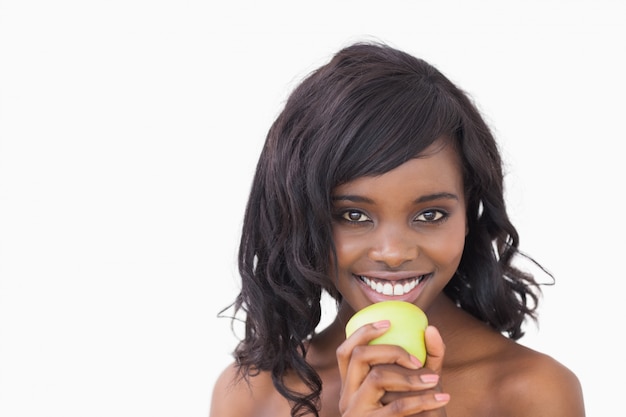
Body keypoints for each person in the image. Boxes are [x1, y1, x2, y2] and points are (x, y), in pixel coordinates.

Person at [209, 41, 585, 417]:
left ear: (469, 212)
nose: (393, 252)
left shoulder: (533, 392)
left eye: (430, 215)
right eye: (354, 216)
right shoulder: (251, 396)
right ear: (302, 216)